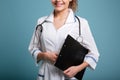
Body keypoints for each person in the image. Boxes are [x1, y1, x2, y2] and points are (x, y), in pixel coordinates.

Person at [28, 0, 100, 80]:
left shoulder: (81, 24)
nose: (58, 0)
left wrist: (77, 69)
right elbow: (33, 48)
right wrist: (44, 55)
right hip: (46, 74)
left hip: (68, 76)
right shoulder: (41, 22)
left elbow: (94, 54)